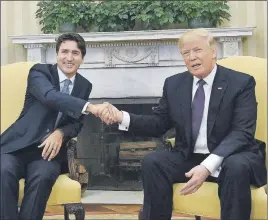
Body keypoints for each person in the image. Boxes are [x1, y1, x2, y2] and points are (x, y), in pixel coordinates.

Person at [98, 29, 267, 220]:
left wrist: (207, 166)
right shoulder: (174, 84)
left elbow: (241, 132)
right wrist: (121, 117)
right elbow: (159, 124)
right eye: (186, 53)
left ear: (213, 52)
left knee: (236, 167)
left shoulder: (241, 83)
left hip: (232, 155)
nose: (192, 57)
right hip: (189, 155)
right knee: (153, 162)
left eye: (197, 50)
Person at [0, 33, 109, 220]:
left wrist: (60, 132)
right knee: (3, 171)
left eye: (75, 53)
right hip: (17, 147)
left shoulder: (84, 85)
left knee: (43, 177)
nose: (69, 57)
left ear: (82, 57)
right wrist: (90, 107)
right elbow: (50, 97)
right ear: (57, 54)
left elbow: (76, 124)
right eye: (64, 51)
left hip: (47, 154)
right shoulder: (40, 72)